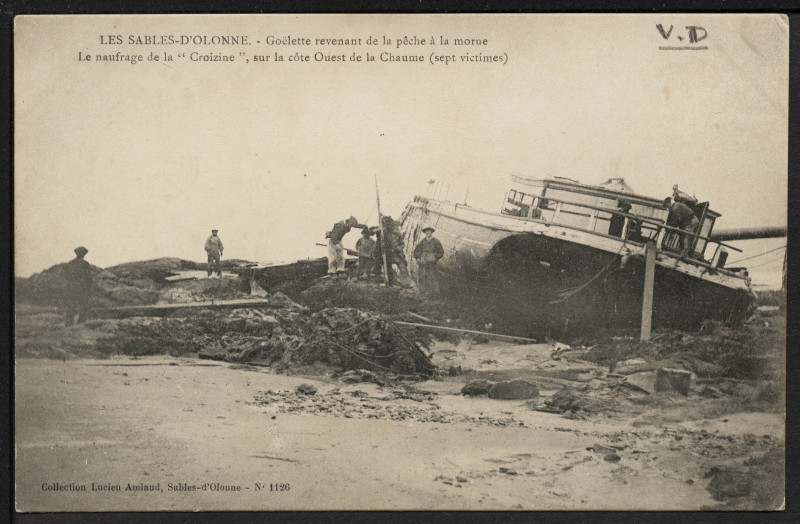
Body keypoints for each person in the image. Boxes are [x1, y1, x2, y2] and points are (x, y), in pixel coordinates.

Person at [326, 216, 366, 280]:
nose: (351, 226)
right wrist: (336, 244)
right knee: (333, 256)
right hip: (333, 240)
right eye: (351, 225)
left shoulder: (348, 223)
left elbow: (356, 225)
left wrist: (364, 226)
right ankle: (332, 272)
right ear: (349, 222)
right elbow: (334, 236)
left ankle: (340, 270)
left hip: (339, 240)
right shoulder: (340, 225)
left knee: (340, 256)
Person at [63, 246, 93, 326]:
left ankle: (68, 324)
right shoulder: (85, 264)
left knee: (71, 307)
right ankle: (81, 324)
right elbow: (89, 278)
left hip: (71, 288)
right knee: (83, 306)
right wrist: (89, 288)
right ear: (83, 254)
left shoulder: (70, 263)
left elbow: (66, 276)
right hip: (82, 289)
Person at [413, 226, 444, 295]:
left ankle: (435, 293)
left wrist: (435, 257)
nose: (428, 233)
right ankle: (422, 292)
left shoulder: (436, 241)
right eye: (426, 232)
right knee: (422, 276)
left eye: (429, 232)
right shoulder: (422, 242)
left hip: (432, 262)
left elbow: (441, 252)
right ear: (425, 233)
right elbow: (417, 251)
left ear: (431, 232)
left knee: (433, 276)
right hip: (423, 261)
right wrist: (418, 258)